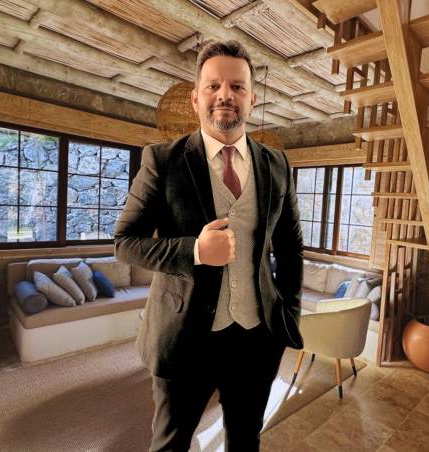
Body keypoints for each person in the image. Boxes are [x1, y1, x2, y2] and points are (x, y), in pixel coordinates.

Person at [114, 40, 304, 452]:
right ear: (196, 97)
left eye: (237, 87)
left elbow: (290, 247)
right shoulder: (162, 160)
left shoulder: (277, 164)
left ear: (252, 99)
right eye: (213, 85)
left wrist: (288, 311)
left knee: (245, 441)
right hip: (184, 339)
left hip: (257, 339)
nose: (225, 95)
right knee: (170, 445)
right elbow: (125, 243)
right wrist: (195, 252)